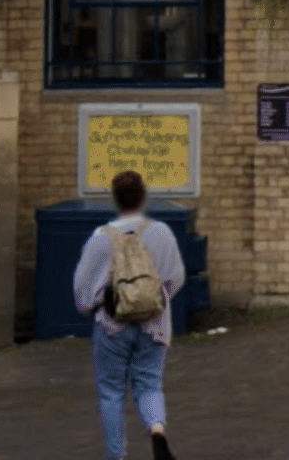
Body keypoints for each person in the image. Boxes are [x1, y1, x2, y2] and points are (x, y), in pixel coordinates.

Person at [73, 170, 185, 460]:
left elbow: (82, 288)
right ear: (143, 197)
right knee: (148, 383)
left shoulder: (101, 238)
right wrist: (157, 301)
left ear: (115, 199)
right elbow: (176, 277)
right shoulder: (161, 233)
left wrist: (91, 307)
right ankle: (157, 429)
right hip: (154, 324)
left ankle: (116, 456)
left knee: (111, 392)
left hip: (113, 325)